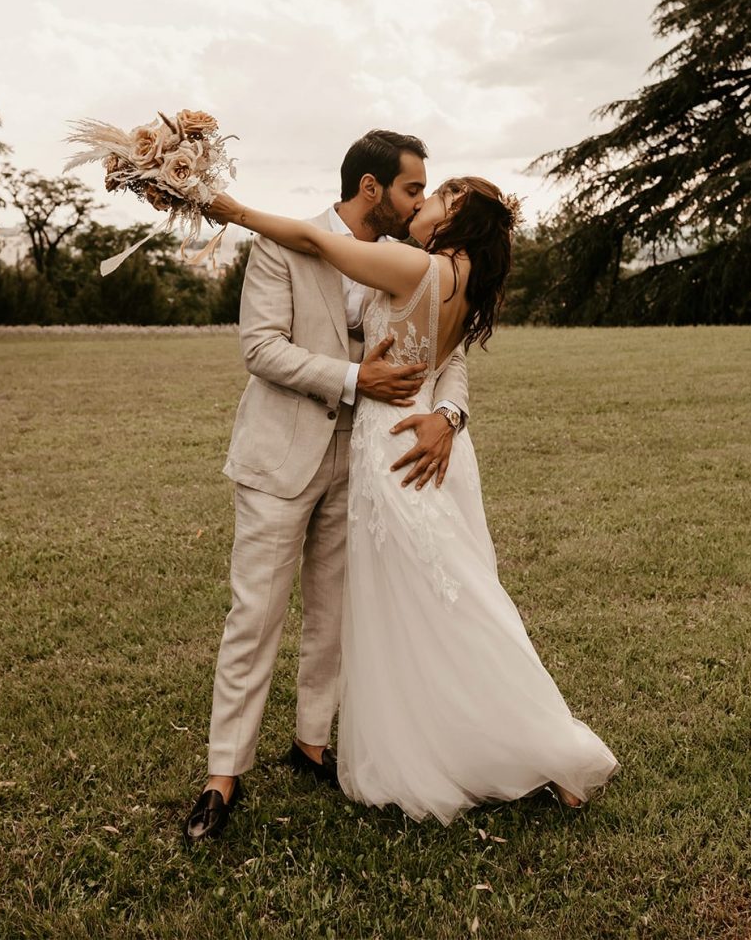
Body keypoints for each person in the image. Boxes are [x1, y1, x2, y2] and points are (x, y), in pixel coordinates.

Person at [201, 173, 619, 825]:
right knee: (430, 606)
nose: (423, 202)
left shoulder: (416, 266)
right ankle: (476, 741)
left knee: (450, 605)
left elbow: (313, 235)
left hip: (394, 451)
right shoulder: (460, 277)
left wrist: (230, 208)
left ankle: (551, 748)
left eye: (438, 195)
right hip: (397, 449)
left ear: (457, 217)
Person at [182, 131, 470, 842]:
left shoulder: (415, 260)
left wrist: (448, 412)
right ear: (371, 188)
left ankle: (312, 743)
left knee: (336, 613)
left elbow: (453, 353)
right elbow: (261, 347)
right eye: (411, 189)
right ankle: (223, 774)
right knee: (256, 614)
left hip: (370, 463)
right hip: (281, 455)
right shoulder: (286, 242)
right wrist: (352, 377)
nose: (417, 202)